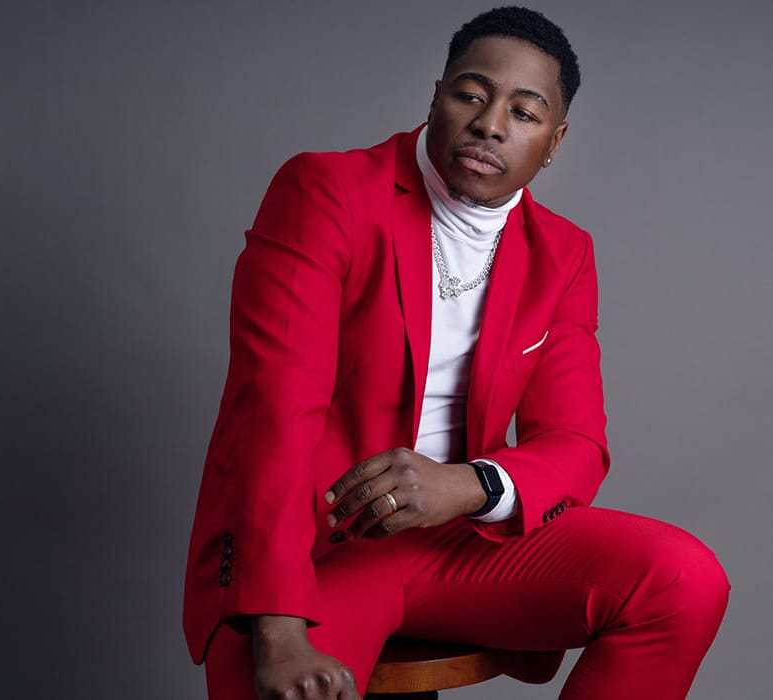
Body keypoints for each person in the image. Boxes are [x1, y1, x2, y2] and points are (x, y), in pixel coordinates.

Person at [184, 7, 729, 699]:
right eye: (471, 95)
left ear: (553, 142)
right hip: (316, 552)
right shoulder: (328, 193)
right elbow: (275, 411)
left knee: (682, 580)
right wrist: (280, 627)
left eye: (524, 113)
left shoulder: (562, 254)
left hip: (460, 545)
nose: (490, 124)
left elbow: (576, 442)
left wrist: (468, 486)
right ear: (436, 97)